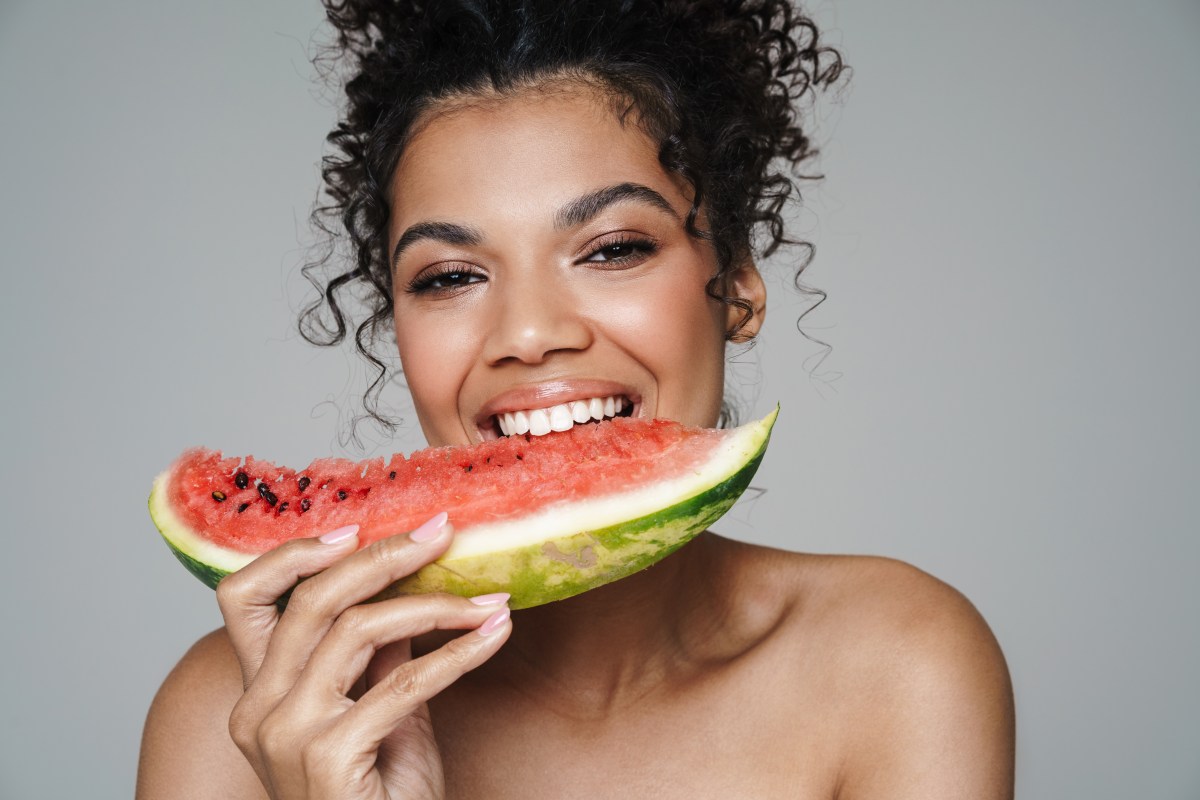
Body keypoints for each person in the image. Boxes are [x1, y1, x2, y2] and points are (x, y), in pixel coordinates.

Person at [137, 2, 1015, 797]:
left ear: (737, 284)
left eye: (611, 249)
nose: (528, 333)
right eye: (450, 276)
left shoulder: (899, 662)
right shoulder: (240, 719)